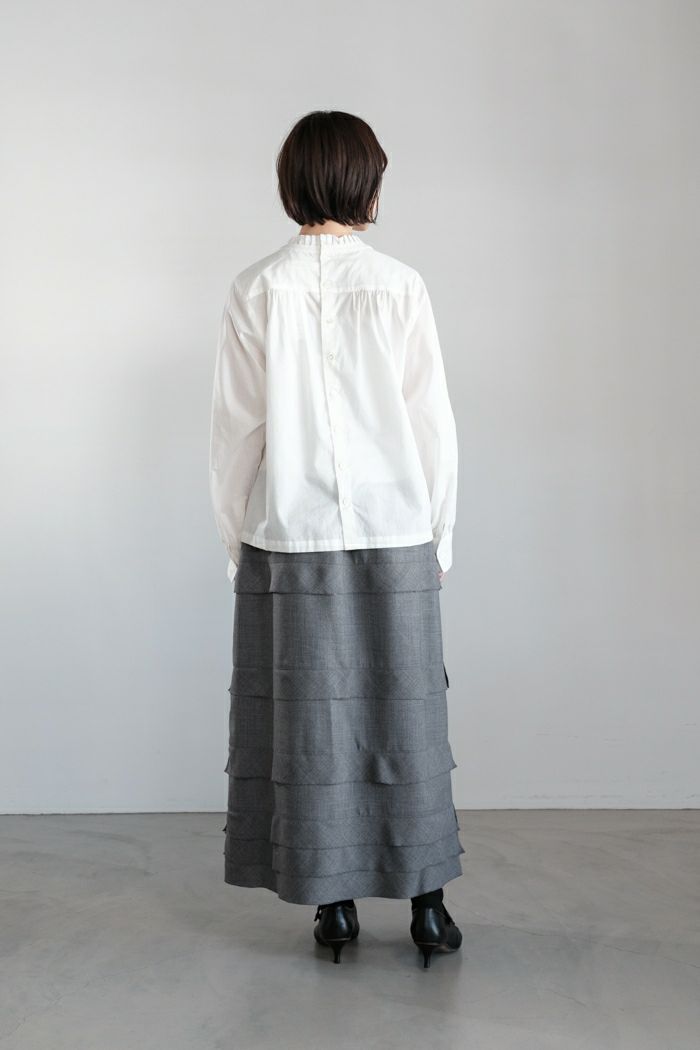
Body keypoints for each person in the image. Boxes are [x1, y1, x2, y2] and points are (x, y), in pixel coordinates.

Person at [208, 109, 464, 968]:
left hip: (289, 531)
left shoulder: (255, 287)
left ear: (292, 182)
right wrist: (440, 536)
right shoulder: (400, 285)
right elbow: (431, 424)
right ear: (366, 183)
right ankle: (428, 906)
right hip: (398, 526)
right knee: (407, 716)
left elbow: (237, 431)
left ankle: (335, 908)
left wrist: (237, 538)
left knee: (309, 724)